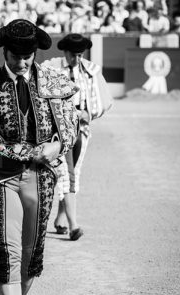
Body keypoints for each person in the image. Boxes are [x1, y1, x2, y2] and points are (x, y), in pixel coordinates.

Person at [0, 19, 79, 295]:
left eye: (28, 56)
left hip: (42, 173)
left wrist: (58, 146)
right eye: (16, 57)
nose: (22, 62)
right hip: (1, 171)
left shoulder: (54, 81)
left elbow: (71, 127)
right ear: (5, 54)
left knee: (31, 251)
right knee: (5, 248)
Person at [42, 33, 113, 240]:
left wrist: (88, 114)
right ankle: (74, 226)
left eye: (80, 55)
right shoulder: (51, 67)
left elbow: (104, 100)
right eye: (74, 55)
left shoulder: (90, 70)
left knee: (74, 174)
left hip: (80, 130)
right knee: (67, 175)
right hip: (56, 131)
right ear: (65, 52)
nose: (77, 59)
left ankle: (60, 220)